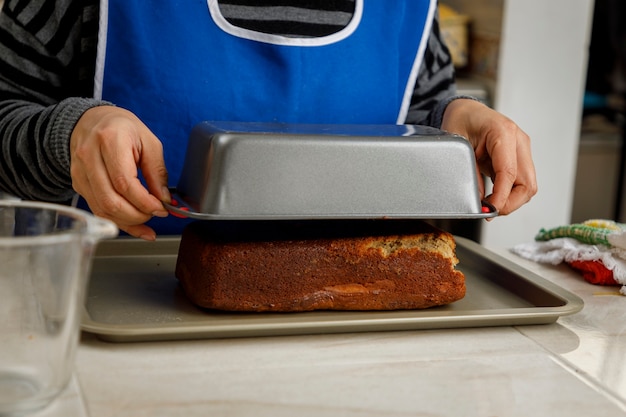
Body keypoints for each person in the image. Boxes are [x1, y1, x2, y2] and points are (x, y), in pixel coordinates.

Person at [0, 0, 537, 240]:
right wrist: (64, 133)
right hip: (114, 303)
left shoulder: (410, 7)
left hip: (363, 329)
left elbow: (413, 109)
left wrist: (453, 117)